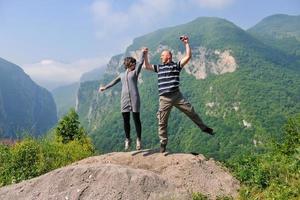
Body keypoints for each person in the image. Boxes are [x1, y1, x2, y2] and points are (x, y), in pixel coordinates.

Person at [142, 35, 214, 153]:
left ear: (168, 56)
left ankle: (204, 128)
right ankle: (163, 143)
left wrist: (186, 43)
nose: (160, 57)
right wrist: (145, 55)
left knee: (191, 111)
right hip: (164, 98)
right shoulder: (159, 68)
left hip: (177, 95)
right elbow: (146, 66)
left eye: (162, 55)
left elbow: (188, 56)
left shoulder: (176, 66)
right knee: (162, 121)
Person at [99, 52, 145, 151]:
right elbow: (113, 82)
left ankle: (138, 139)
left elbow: (141, 63)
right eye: (133, 63)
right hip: (124, 99)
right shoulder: (122, 75)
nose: (135, 65)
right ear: (128, 64)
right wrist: (104, 88)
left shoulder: (135, 72)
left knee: (136, 119)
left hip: (134, 98)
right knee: (126, 120)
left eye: (135, 63)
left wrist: (143, 53)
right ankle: (128, 139)